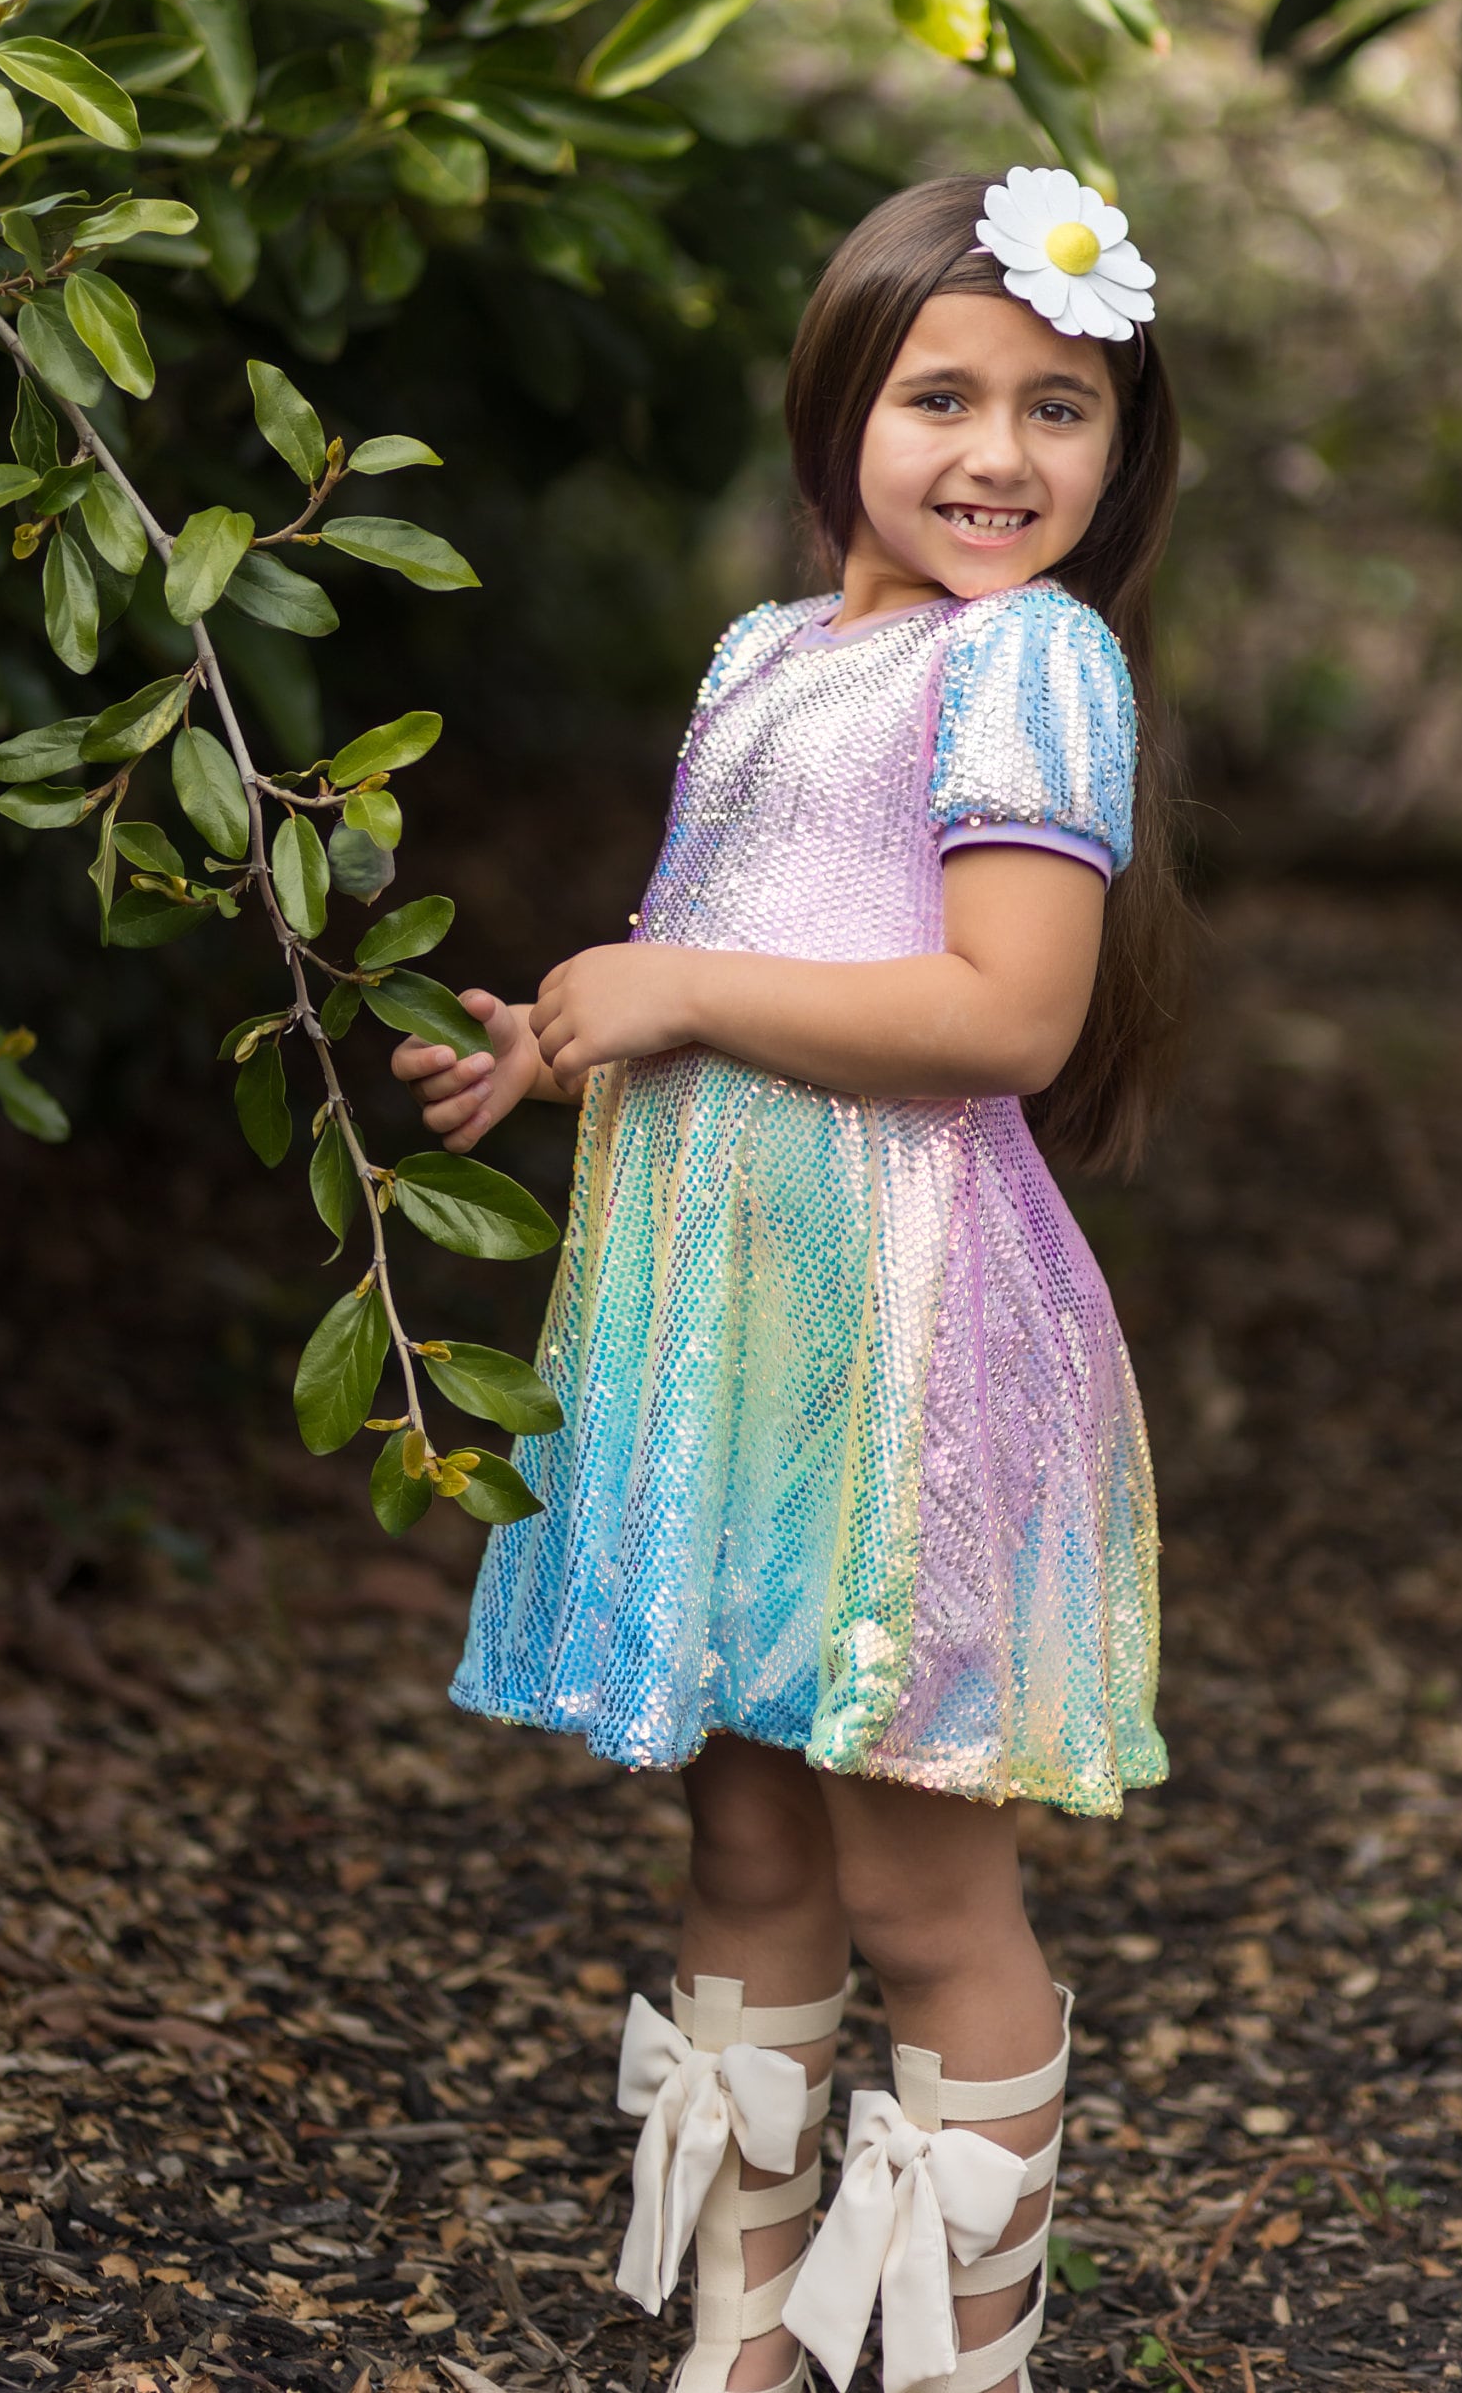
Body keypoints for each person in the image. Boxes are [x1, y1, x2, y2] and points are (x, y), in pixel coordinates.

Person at [392, 167, 1184, 2393]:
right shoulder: (769, 658)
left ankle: (951, 2364)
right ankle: (743, 2351)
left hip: (902, 1343)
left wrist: (674, 983)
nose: (1000, 456)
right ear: (836, 399)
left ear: (1119, 459)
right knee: (743, 1839)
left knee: (925, 1890)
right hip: (722, 1338)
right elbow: (745, 980)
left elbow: (998, 1019)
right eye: (945, 394)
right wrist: (559, 1044)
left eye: (1061, 411)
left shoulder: (1032, 656)